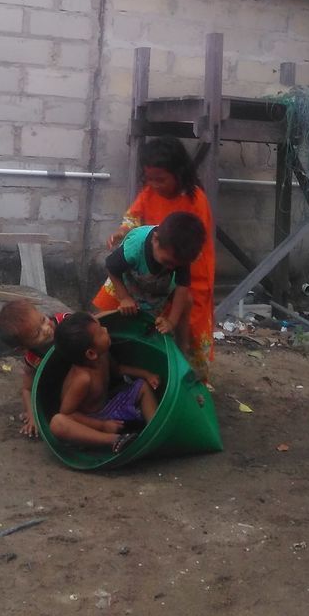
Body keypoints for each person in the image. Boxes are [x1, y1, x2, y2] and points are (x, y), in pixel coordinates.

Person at [94, 136, 216, 380]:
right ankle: (104, 359)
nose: (154, 184)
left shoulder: (195, 200)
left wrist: (173, 261)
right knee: (109, 308)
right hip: (145, 265)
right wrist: (122, 231)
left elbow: (194, 243)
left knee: (187, 323)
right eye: (149, 178)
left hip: (185, 266)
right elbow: (132, 219)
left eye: (160, 179)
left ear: (178, 173)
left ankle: (188, 378)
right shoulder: (148, 195)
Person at [97, 211, 205, 356]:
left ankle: (181, 352)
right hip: (126, 282)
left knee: (187, 301)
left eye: (176, 265)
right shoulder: (135, 246)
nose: (171, 267)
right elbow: (111, 267)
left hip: (158, 287)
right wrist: (124, 298)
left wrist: (171, 322)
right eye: (167, 262)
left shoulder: (180, 254)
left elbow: (182, 288)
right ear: (155, 239)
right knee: (105, 321)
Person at [49, 312, 160, 452]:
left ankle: (154, 432)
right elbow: (67, 413)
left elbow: (118, 370)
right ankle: (113, 441)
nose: (106, 329)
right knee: (57, 423)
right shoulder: (82, 379)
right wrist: (101, 426)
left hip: (109, 407)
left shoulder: (103, 356)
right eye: (101, 332)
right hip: (89, 423)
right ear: (91, 353)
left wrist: (146, 374)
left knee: (142, 386)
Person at [0, 297, 71, 438]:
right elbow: (28, 388)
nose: (47, 329)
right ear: (23, 348)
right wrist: (33, 416)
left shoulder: (66, 323)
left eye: (43, 320)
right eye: (37, 334)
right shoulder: (33, 358)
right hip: (64, 390)